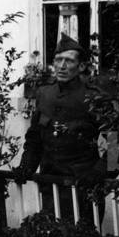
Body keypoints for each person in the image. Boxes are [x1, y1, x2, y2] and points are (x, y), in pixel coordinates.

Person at [13, 35, 106, 189]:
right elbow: (35, 139)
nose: (62, 66)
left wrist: (99, 174)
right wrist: (26, 167)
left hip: (83, 189)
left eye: (69, 61)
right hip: (50, 186)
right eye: (58, 60)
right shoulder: (45, 94)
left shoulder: (94, 97)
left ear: (81, 66)